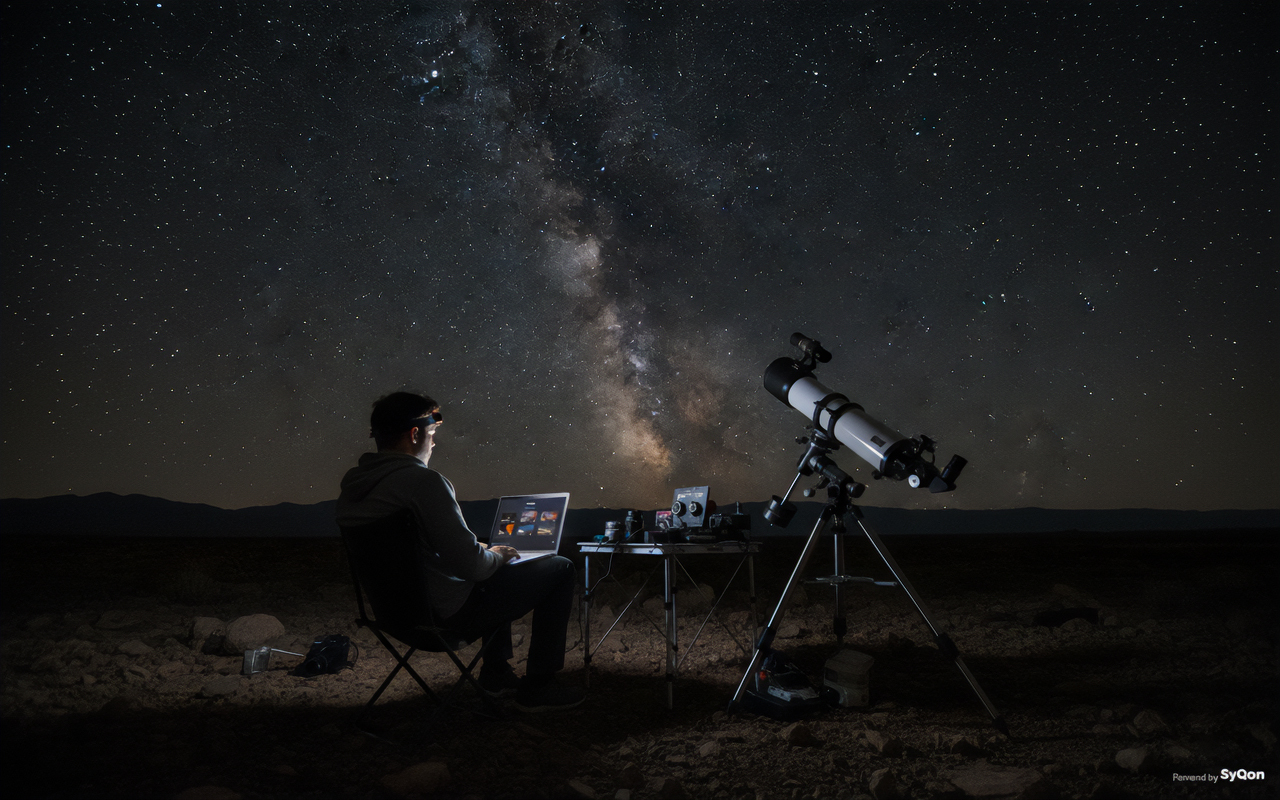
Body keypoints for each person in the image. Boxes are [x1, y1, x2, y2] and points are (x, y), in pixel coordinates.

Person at [336, 391, 583, 712]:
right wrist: (499, 555)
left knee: (492, 567)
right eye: (433, 433)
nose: (434, 443)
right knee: (559, 568)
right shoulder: (423, 483)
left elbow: (428, 551)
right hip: (445, 620)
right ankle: (540, 686)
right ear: (415, 434)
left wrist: (486, 553)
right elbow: (474, 568)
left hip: (395, 617)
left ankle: (496, 673)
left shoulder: (352, 491)